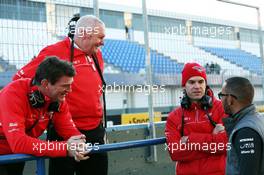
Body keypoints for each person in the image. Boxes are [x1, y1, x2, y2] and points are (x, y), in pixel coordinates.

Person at [12, 15, 107, 175]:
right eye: (100, 37)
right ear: (85, 34)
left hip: (94, 131)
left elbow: (97, 90)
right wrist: (41, 104)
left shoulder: (96, 54)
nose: (103, 42)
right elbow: (20, 80)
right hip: (63, 131)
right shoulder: (54, 52)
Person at [0, 57, 89, 175]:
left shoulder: (57, 99)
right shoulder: (13, 94)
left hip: (15, 156)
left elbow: (71, 132)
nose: (70, 90)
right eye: (65, 86)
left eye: (70, 85)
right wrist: (64, 148)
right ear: (45, 83)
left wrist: (79, 143)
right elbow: (19, 143)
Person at [165, 62, 227, 175]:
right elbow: (175, 152)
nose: (197, 86)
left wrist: (189, 139)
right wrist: (213, 139)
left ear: (205, 84)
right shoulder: (174, 117)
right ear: (184, 85)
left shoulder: (221, 108)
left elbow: (224, 144)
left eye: (201, 81)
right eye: (192, 82)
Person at [220, 77, 264, 175]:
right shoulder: (257, 119)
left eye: (221, 95)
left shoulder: (245, 131)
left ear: (230, 99)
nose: (220, 100)